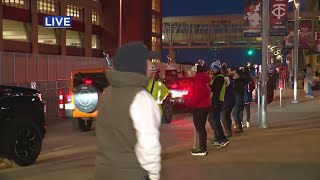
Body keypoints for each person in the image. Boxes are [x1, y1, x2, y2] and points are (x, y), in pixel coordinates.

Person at [93, 42, 161, 180]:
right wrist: (153, 174)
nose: (151, 66)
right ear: (137, 65)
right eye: (147, 61)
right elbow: (148, 144)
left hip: (102, 172)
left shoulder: (107, 93)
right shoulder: (141, 98)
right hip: (131, 174)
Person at [185, 60, 211, 156]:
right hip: (204, 106)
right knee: (201, 127)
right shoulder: (202, 80)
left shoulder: (198, 81)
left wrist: (188, 103)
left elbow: (197, 96)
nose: (190, 73)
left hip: (200, 107)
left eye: (192, 71)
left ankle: (202, 149)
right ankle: (202, 147)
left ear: (196, 72)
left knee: (200, 127)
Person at [209, 60, 229, 148]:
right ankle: (218, 139)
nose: (211, 69)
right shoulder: (217, 77)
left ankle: (222, 139)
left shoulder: (219, 78)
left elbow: (215, 90)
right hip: (216, 101)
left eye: (213, 68)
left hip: (216, 101)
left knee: (216, 121)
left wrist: (208, 86)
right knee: (214, 120)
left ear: (217, 69)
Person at [221, 64, 235, 137]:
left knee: (223, 117)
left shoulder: (225, 79)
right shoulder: (230, 78)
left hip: (226, 100)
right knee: (227, 116)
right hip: (231, 99)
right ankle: (229, 130)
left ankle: (228, 131)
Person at [232, 69, 246, 133]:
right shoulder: (240, 81)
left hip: (238, 99)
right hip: (239, 98)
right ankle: (239, 127)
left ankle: (238, 127)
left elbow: (236, 88)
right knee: (237, 113)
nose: (234, 75)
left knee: (235, 113)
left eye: (235, 73)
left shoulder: (239, 82)